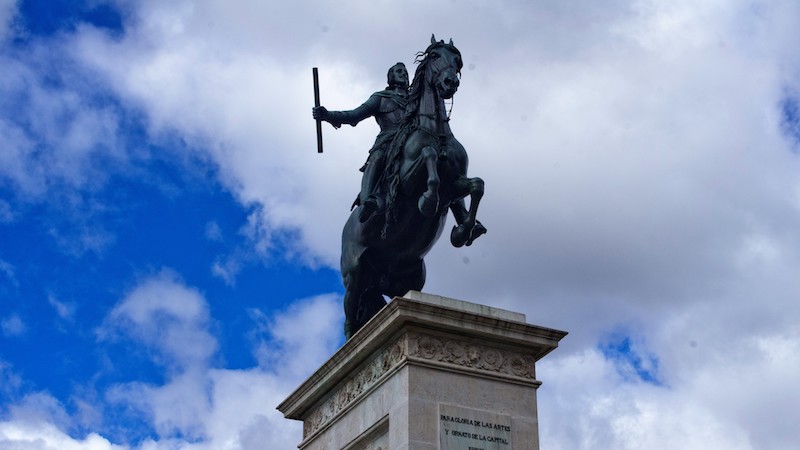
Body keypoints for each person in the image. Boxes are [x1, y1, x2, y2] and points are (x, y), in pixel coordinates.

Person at [313, 63, 409, 221]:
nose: (404, 74)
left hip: (413, 138)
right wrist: (328, 115)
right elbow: (354, 115)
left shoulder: (418, 98)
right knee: (377, 158)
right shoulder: (381, 97)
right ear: (391, 77)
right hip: (388, 141)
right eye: (399, 71)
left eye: (405, 72)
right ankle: (367, 200)